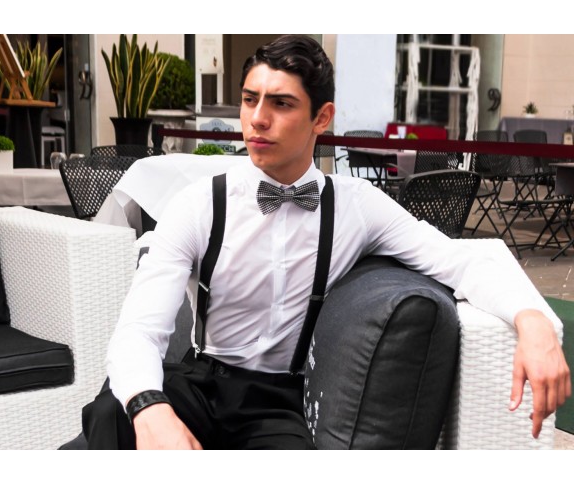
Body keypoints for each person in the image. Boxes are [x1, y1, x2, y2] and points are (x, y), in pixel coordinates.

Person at [82, 35, 570, 449]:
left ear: (322, 118)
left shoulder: (357, 206)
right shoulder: (199, 204)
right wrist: (149, 406)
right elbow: (138, 329)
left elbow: (460, 261)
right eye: (250, 100)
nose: (257, 119)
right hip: (199, 379)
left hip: (278, 403)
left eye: (281, 103)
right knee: (113, 412)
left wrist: (532, 320)